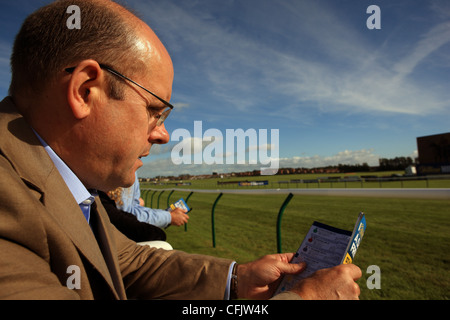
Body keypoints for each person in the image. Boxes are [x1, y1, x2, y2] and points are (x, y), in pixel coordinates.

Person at [0, 0, 361, 300]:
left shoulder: (68, 184)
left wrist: (238, 278)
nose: (163, 135)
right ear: (85, 91)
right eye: (154, 111)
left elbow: (125, 260)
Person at [108, 172, 189, 228]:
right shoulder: (124, 169)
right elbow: (127, 215)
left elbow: (131, 209)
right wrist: (169, 217)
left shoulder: (131, 170)